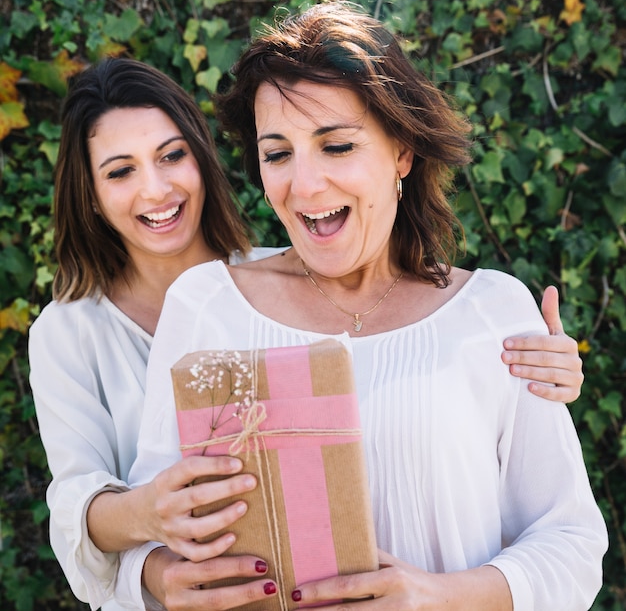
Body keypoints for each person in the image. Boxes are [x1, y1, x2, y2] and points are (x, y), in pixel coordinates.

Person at [28, 54, 585, 611]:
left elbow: (570, 543)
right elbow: (116, 515)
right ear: (91, 195)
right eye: (277, 154)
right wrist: (152, 565)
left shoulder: (490, 311)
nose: (307, 184)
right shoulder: (195, 308)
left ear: (402, 149)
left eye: (337, 145)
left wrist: (437, 596)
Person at [28, 58, 284, 611]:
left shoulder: (286, 279)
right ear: (91, 194)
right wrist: (149, 536)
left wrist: (513, 360)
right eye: (121, 171)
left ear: (200, 159)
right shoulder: (68, 331)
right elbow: (76, 502)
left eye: (172, 156)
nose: (156, 188)